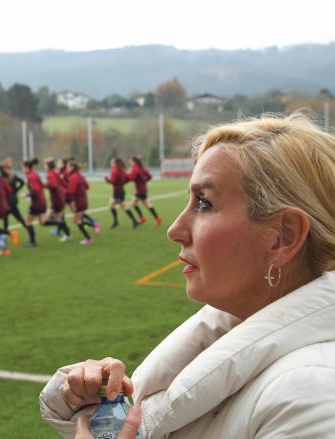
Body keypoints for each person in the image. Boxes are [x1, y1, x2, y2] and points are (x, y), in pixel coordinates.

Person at [39, 113, 335, 438]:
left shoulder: (312, 393)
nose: (175, 230)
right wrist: (102, 415)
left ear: (282, 237)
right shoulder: (227, 340)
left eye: (204, 203)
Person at [66, 161, 97, 245]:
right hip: (83, 200)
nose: (67, 169)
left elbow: (70, 191)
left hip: (78, 201)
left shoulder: (73, 177)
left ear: (72, 168)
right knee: (77, 220)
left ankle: (89, 238)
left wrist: (70, 199)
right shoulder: (80, 176)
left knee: (77, 220)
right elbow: (87, 186)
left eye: (68, 167)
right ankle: (94, 225)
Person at [105, 157, 139, 229]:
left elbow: (113, 181)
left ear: (114, 163)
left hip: (117, 192)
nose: (111, 163)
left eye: (112, 161)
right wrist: (122, 183)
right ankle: (133, 221)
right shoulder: (121, 170)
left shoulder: (115, 170)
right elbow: (127, 178)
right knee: (122, 206)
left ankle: (117, 222)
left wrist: (107, 180)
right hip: (121, 191)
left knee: (112, 205)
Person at [128, 156, 162, 227]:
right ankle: (157, 218)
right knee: (147, 204)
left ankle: (142, 218)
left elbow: (132, 178)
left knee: (133, 203)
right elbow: (150, 176)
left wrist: (128, 174)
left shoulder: (135, 168)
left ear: (134, 162)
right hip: (143, 189)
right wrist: (144, 180)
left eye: (131, 161)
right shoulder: (141, 168)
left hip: (139, 190)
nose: (130, 162)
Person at [44, 158, 72, 241]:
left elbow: (54, 185)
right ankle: (67, 234)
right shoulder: (55, 173)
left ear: (48, 166)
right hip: (59, 198)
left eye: (45, 165)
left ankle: (65, 228)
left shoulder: (50, 174)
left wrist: (44, 185)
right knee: (58, 218)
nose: (44, 167)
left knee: (45, 220)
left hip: (56, 199)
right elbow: (61, 183)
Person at [0, 157, 27, 245]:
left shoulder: (4, 177)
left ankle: (29, 231)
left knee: (16, 217)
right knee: (5, 216)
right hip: (13, 198)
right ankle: (5, 232)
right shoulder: (13, 175)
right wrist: (16, 190)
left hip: (8, 200)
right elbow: (22, 182)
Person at [22, 157, 47, 247]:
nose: (22, 169)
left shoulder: (31, 176)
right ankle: (61, 224)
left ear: (27, 168)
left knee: (27, 221)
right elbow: (41, 186)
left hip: (37, 202)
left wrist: (27, 194)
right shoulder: (34, 174)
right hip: (41, 200)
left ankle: (32, 242)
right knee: (42, 222)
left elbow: (36, 189)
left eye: (23, 167)